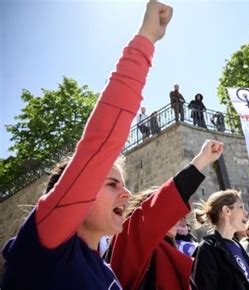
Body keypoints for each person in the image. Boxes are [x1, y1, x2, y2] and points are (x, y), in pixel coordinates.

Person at [1, 2, 173, 289]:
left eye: (121, 184)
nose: (126, 193)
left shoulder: (104, 271)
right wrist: (146, 39)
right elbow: (101, 143)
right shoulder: (49, 248)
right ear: (76, 192)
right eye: (111, 184)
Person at [109, 139, 223, 290]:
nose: (178, 216)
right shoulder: (132, 240)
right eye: (111, 184)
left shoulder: (175, 254)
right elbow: (160, 206)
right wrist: (202, 160)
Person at [191, 190, 249, 290]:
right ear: (226, 210)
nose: (245, 212)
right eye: (241, 207)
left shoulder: (240, 247)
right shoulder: (208, 248)